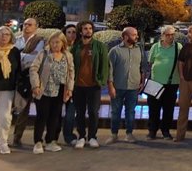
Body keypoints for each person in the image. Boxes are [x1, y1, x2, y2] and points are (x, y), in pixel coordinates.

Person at [29, 31, 74, 154]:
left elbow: (71, 73)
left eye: (57, 42)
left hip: (60, 90)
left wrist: (70, 89)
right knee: (42, 116)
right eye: (53, 42)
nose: (55, 45)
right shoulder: (43, 54)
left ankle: (50, 140)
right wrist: (35, 85)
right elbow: (33, 69)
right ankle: (38, 142)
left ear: (63, 43)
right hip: (44, 89)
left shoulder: (67, 56)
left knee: (55, 117)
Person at [71, 20, 109, 149]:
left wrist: (101, 80)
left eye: (90, 28)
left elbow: (105, 65)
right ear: (81, 31)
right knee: (80, 112)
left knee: (93, 112)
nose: (88, 30)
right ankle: (81, 136)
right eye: (85, 28)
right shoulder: (76, 47)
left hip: (94, 86)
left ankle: (92, 136)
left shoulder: (99, 46)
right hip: (78, 86)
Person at [107, 27, 147, 144]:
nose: (137, 37)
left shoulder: (139, 50)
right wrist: (110, 86)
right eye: (134, 35)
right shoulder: (114, 51)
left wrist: (142, 81)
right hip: (117, 86)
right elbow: (109, 70)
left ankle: (129, 134)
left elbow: (143, 67)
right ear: (125, 37)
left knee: (130, 112)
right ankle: (114, 134)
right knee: (115, 112)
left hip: (133, 87)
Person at [12, 17, 45, 147]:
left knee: (24, 109)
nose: (26, 26)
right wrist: (26, 55)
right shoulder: (16, 39)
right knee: (10, 107)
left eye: (30, 24)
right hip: (16, 77)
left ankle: (17, 137)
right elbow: (12, 57)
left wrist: (20, 55)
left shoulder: (39, 41)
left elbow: (36, 59)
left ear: (36, 27)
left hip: (30, 78)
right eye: (25, 24)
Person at [0, 26, 21, 155]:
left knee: (4, 118)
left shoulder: (15, 51)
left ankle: (3, 143)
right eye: (2, 34)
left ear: (11, 37)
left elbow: (18, 70)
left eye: (7, 34)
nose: (4, 37)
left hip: (8, 89)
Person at [147, 25, 182, 141]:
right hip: (154, 82)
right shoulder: (155, 47)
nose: (171, 37)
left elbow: (181, 64)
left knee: (169, 108)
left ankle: (165, 131)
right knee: (153, 108)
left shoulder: (178, 47)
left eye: (172, 35)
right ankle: (152, 130)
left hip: (172, 83)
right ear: (162, 35)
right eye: (168, 35)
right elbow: (150, 63)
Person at [58, 24, 79, 145]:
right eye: (69, 32)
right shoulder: (59, 48)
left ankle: (68, 135)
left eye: (74, 32)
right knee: (56, 112)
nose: (71, 34)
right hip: (60, 83)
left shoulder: (78, 48)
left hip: (74, 84)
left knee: (71, 112)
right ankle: (53, 136)